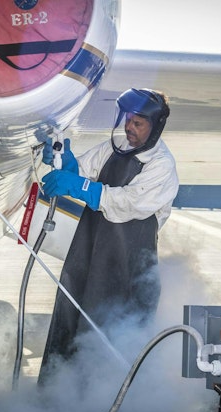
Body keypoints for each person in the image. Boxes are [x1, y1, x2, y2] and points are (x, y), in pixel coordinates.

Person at [37, 88, 179, 383]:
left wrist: (78, 187)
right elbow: (84, 172)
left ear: (155, 127)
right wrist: (65, 162)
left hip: (126, 265)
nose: (129, 127)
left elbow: (126, 203)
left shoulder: (161, 165)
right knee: (71, 319)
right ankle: (57, 398)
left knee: (112, 331)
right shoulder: (115, 148)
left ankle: (108, 406)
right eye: (128, 120)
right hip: (89, 252)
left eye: (138, 123)